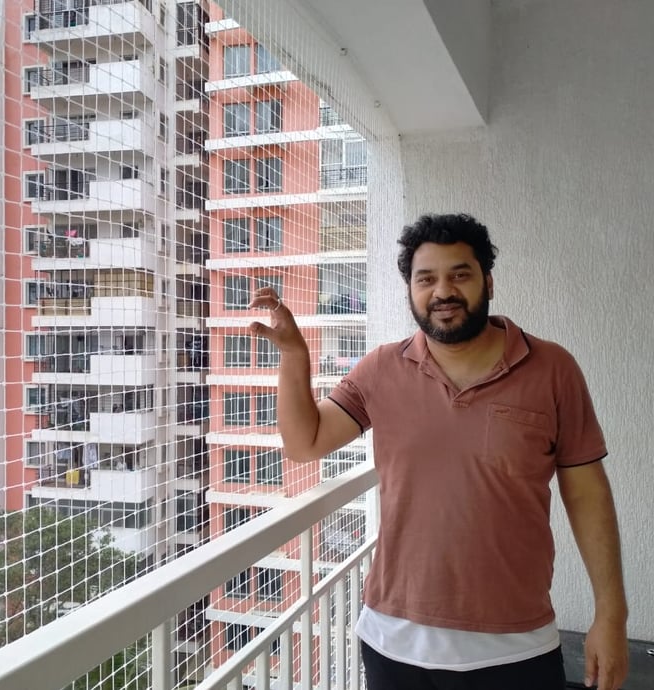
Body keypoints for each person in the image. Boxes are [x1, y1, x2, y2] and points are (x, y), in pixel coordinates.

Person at [248, 213, 628, 690]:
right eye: (426, 279)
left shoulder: (553, 369)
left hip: (516, 645)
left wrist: (610, 617)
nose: (442, 291)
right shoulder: (380, 369)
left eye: (460, 275)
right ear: (410, 290)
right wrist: (293, 356)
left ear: (487, 281)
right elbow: (306, 443)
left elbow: (587, 493)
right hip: (395, 643)